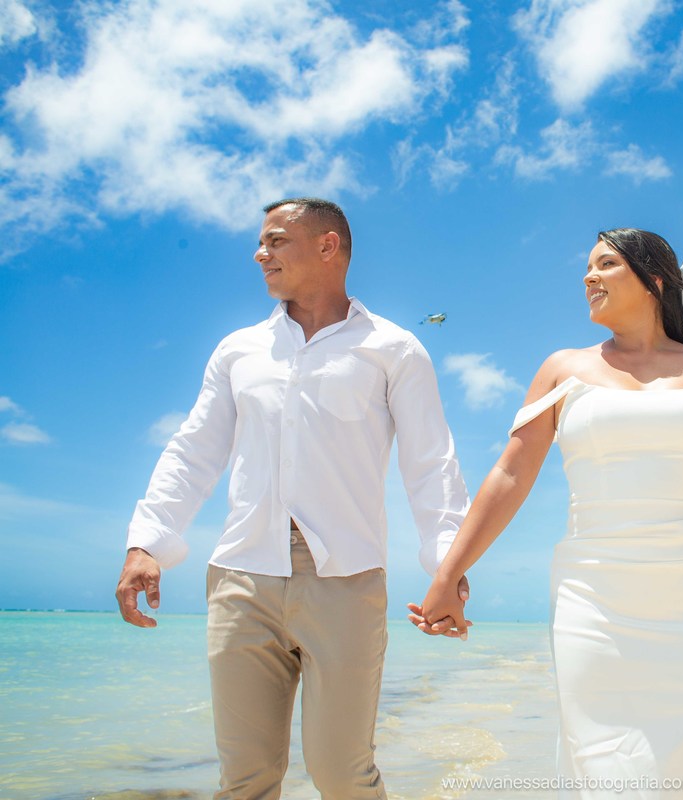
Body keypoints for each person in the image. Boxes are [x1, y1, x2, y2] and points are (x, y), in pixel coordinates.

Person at [408, 228, 683, 799]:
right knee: (611, 771)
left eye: (605, 265)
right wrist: (447, 575)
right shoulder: (562, 370)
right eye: (587, 267)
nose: (588, 277)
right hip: (595, 597)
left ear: (654, 280)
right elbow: (511, 476)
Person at [115, 198, 471, 799]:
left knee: (343, 775)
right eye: (262, 242)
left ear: (328, 246)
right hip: (241, 578)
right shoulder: (238, 350)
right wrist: (146, 541)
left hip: (346, 579)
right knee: (246, 780)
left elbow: (431, 464)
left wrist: (448, 567)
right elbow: (194, 449)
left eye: (276, 240)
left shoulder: (394, 349)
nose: (260, 253)